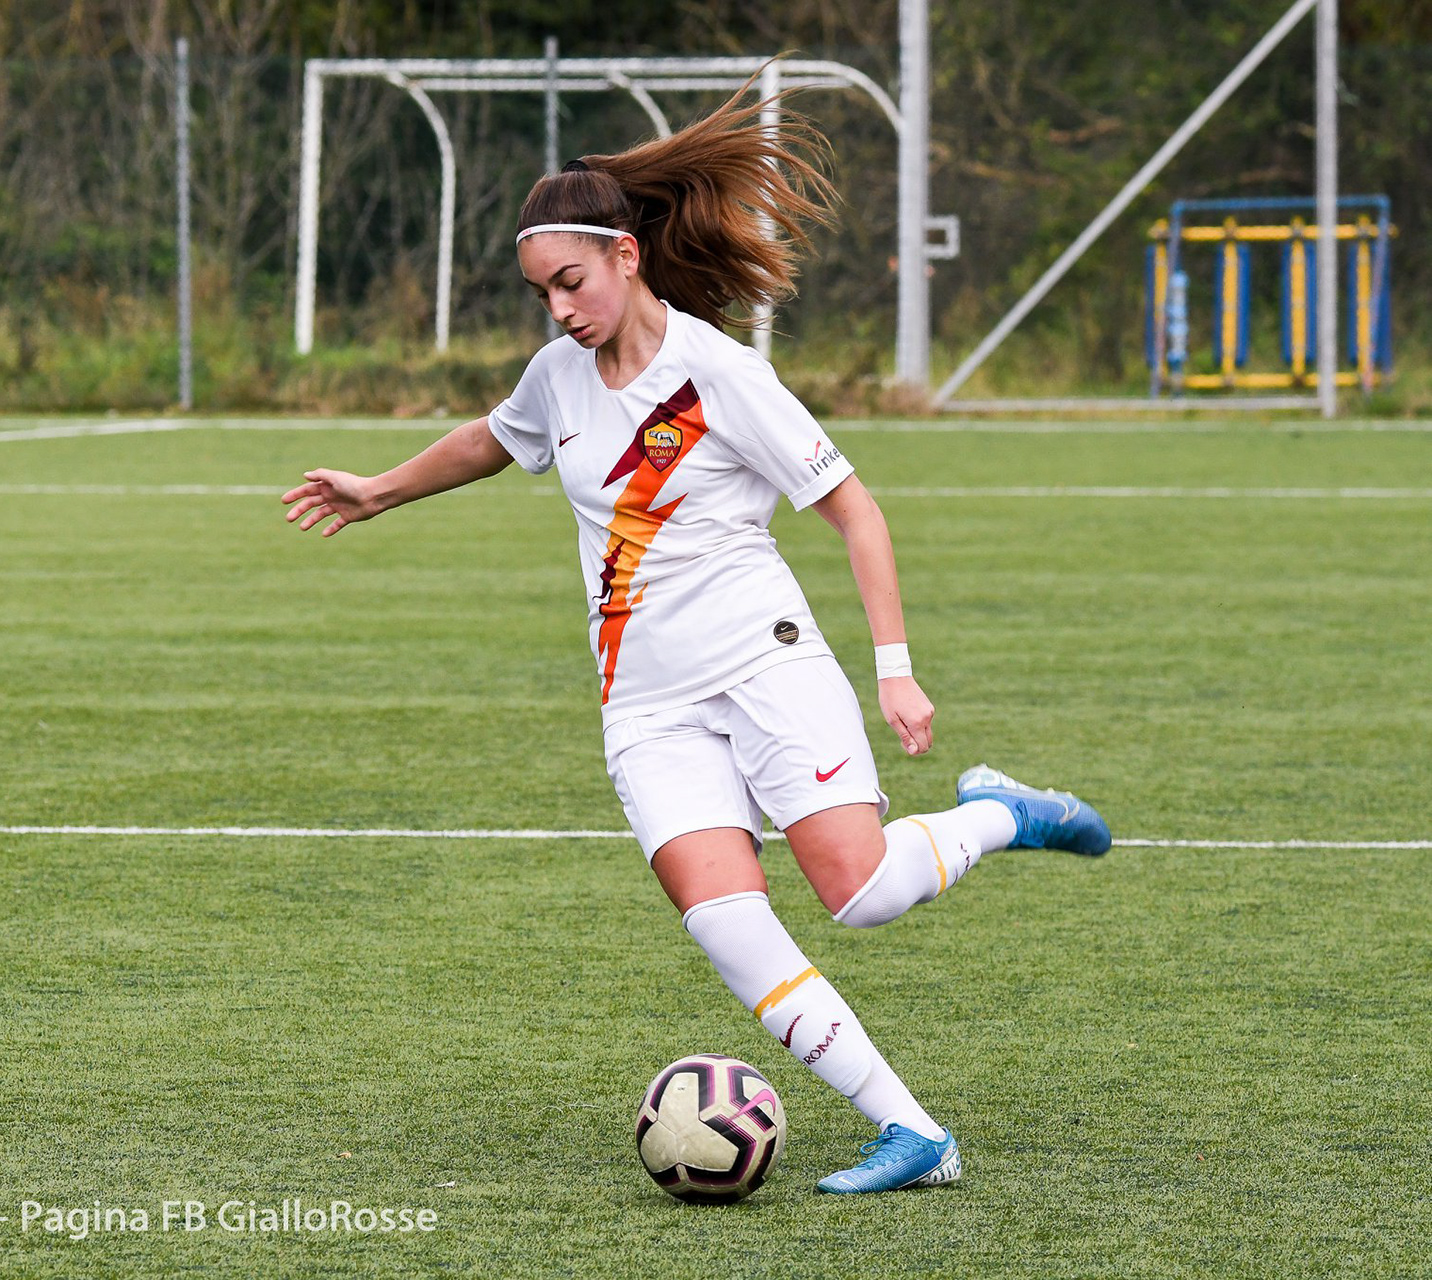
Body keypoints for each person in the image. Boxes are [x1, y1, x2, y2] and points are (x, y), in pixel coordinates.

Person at [280, 83, 1111, 1195]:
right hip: (644, 704)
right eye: (541, 293)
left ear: (625, 257)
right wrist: (378, 490)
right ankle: (914, 1132)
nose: (558, 310)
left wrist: (897, 672)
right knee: (727, 926)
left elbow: (856, 511)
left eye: (570, 283)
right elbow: (493, 437)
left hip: (763, 662)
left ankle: (1005, 812)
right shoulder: (558, 376)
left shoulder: (720, 373)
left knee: (860, 892)